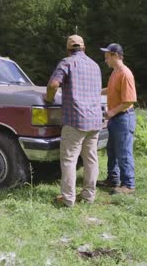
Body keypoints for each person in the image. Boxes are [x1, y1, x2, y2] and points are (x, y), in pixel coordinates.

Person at [44, 35, 103, 207]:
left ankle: (68, 199)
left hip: (75, 120)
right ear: (84, 48)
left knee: (69, 160)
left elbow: (53, 85)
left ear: (68, 49)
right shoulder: (95, 66)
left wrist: (48, 99)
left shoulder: (67, 62)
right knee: (91, 159)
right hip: (94, 120)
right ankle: (88, 196)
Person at [97, 43, 137, 195]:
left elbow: (129, 100)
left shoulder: (125, 74)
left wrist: (112, 112)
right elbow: (112, 90)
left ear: (115, 55)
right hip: (116, 119)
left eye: (107, 55)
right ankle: (112, 179)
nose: (105, 59)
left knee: (124, 152)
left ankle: (128, 185)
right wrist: (98, 91)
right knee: (112, 150)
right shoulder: (115, 72)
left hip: (123, 118)